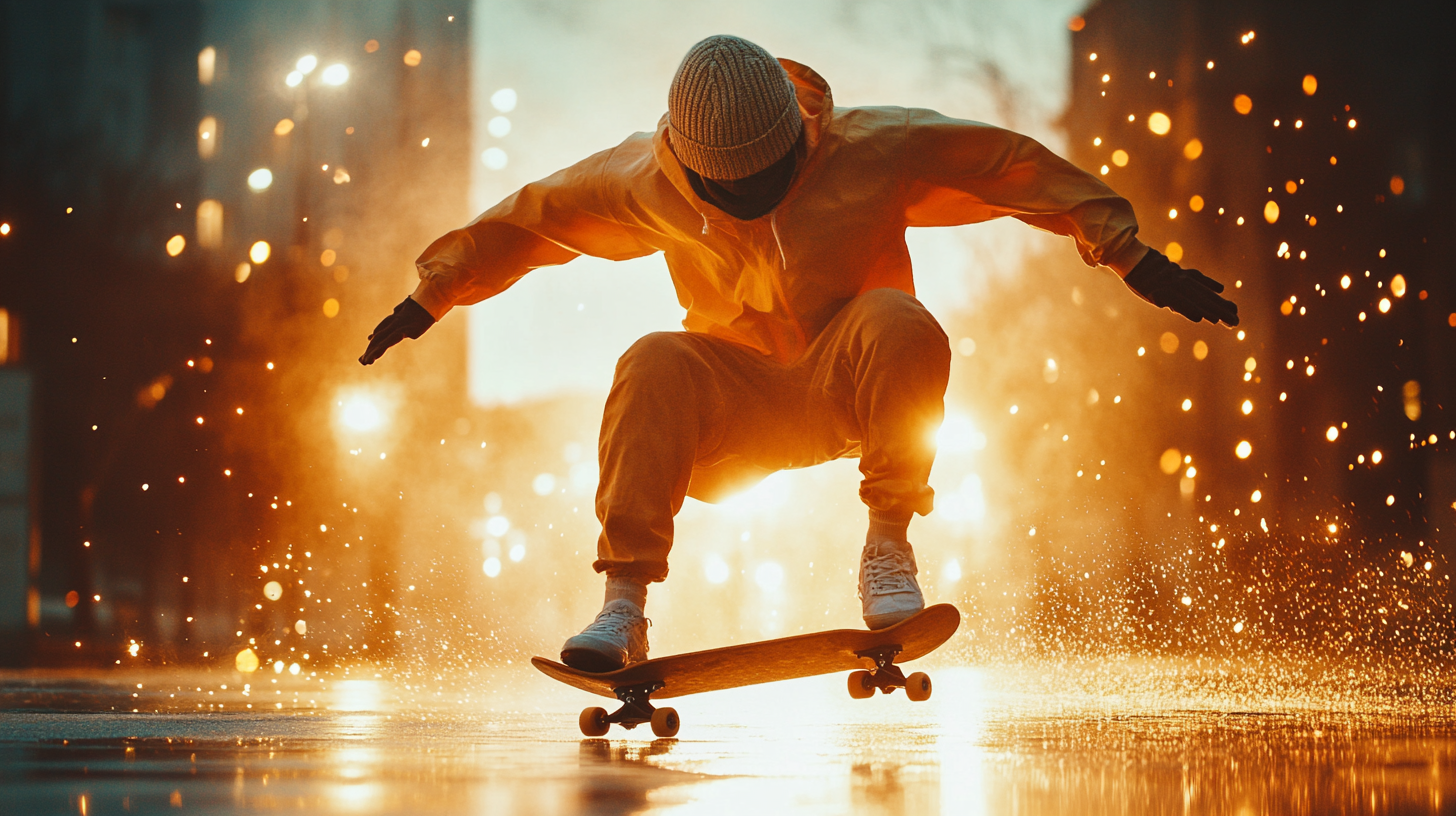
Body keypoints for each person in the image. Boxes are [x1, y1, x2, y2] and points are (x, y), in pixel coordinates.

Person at [360, 35, 1238, 673]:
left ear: (796, 138)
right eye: (733, 191)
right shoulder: (640, 180)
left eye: (774, 175)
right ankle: (624, 603)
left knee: (900, 318)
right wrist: (432, 293)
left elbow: (1007, 163)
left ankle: (888, 547)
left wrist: (1126, 250)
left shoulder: (876, 144)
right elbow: (532, 217)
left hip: (851, 381)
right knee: (652, 359)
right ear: (692, 168)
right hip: (736, 405)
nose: (757, 197)